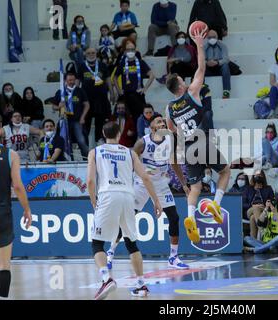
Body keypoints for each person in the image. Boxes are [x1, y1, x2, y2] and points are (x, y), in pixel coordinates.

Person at [165, 28, 231, 243]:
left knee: (194, 187)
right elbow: (201, 67)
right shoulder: (192, 92)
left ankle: (191, 218)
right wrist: (199, 44)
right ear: (180, 84)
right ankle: (216, 205)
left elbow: (172, 130)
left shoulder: (169, 108)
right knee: (225, 172)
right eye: (182, 80)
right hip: (202, 140)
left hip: (188, 148)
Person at [87, 121, 163, 300]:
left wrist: (93, 199)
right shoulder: (129, 153)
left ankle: (106, 278)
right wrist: (156, 201)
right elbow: (145, 177)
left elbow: (90, 181)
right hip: (128, 197)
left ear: (103, 134)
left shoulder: (95, 152)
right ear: (120, 133)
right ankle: (141, 284)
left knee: (97, 243)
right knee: (131, 242)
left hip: (107, 195)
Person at [0, 112, 32, 299]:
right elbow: (18, 186)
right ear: (0, 130)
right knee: (3, 266)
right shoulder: (10, 154)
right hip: (1, 214)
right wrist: (27, 209)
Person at [132, 114, 190, 269]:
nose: (163, 124)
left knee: (174, 217)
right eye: (159, 122)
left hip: (161, 184)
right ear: (152, 127)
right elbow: (130, 160)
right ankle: (110, 252)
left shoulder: (170, 141)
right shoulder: (142, 142)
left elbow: (174, 163)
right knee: (128, 217)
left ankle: (173, 257)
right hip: (142, 183)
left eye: (164, 122)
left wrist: (184, 185)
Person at [114, 40, 155, 124]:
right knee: (126, 119)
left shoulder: (140, 62)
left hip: (138, 95)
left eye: (132, 49)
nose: (130, 52)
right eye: (128, 50)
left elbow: (151, 75)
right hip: (126, 95)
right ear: (125, 52)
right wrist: (118, 90)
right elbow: (114, 77)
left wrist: (145, 88)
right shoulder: (122, 63)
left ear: (135, 51)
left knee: (139, 118)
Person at [78, 47, 113, 145]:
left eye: (93, 53)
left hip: (101, 99)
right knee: (86, 122)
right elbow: (78, 82)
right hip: (87, 100)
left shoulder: (102, 65)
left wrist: (112, 92)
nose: (91, 55)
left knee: (100, 120)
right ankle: (86, 143)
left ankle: (100, 140)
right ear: (85, 54)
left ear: (96, 53)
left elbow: (108, 79)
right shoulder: (81, 66)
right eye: (89, 53)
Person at [51, 72, 90, 158]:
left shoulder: (80, 90)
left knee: (81, 140)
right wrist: (58, 107)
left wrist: (83, 117)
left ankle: (87, 159)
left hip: (77, 120)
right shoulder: (60, 92)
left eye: (73, 80)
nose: (71, 82)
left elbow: (87, 105)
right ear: (65, 80)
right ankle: (68, 160)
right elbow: (53, 107)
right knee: (65, 142)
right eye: (69, 80)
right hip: (64, 121)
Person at [244, 170, 275, 239]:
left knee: (252, 218)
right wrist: (253, 206)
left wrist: (266, 206)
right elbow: (243, 204)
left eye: (260, 175)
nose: (258, 177)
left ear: (263, 177)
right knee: (255, 208)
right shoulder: (248, 188)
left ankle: (253, 242)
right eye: (256, 175)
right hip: (250, 209)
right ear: (253, 177)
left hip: (264, 210)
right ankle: (262, 231)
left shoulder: (268, 188)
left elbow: (272, 201)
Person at [204, 30, 231, 99]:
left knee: (225, 66)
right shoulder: (204, 47)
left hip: (219, 66)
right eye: (210, 37)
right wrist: (207, 63)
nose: (212, 39)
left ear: (217, 37)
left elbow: (226, 59)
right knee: (201, 68)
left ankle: (226, 91)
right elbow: (201, 59)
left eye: (214, 37)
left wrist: (217, 62)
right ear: (207, 38)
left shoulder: (222, 45)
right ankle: (202, 92)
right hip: (209, 67)